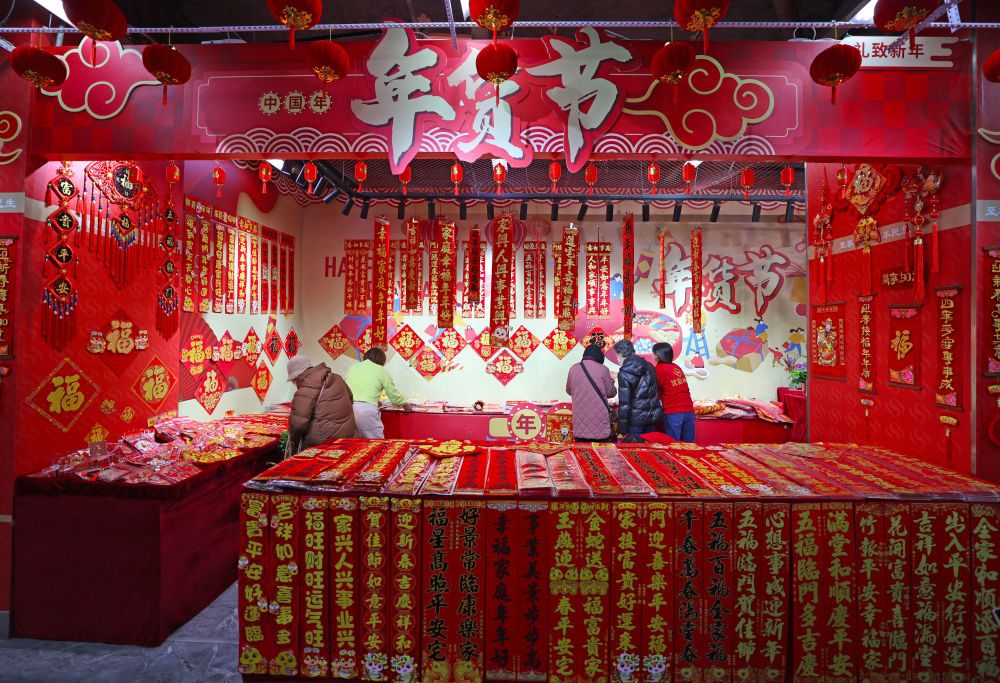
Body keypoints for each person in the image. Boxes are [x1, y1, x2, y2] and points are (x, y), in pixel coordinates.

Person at [287, 356, 359, 450]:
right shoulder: (337, 378)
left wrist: (293, 439)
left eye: (293, 380)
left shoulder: (305, 391)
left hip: (323, 444)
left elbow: (298, 425)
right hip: (348, 437)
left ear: (297, 376)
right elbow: (350, 398)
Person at [345, 347, 409, 439]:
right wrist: (404, 403)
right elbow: (393, 394)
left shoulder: (353, 368)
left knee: (353, 442)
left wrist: (375, 400)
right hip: (366, 410)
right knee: (375, 441)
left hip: (347, 409)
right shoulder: (381, 370)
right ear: (382, 360)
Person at [612, 338, 662, 440]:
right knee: (648, 446)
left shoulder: (624, 373)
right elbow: (655, 390)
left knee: (635, 448)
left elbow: (625, 403)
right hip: (651, 417)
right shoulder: (649, 366)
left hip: (635, 420)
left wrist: (623, 430)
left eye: (616, 354)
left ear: (620, 354)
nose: (617, 357)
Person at [565, 344, 616, 442]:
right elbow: (611, 392)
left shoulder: (573, 368)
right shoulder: (603, 369)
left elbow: (569, 390)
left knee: (581, 449)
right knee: (600, 449)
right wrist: (612, 380)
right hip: (599, 420)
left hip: (580, 420)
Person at [652, 342, 696, 442]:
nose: (652, 354)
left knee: (673, 445)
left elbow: (655, 391)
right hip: (689, 410)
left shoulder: (659, 369)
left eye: (653, 352)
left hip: (674, 412)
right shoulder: (676, 367)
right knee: (689, 445)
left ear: (658, 355)